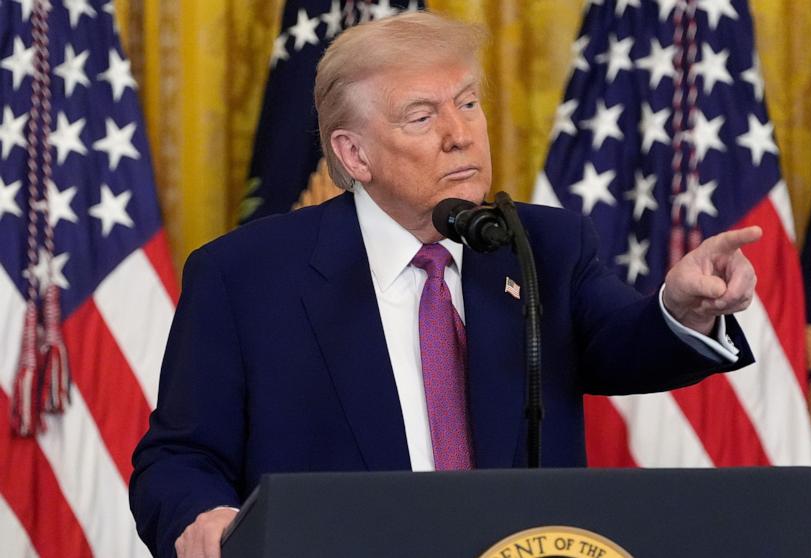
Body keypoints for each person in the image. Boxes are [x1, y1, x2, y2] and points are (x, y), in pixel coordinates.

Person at [130, 11, 761, 558]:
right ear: (354, 156)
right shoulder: (245, 276)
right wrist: (199, 515)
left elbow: (624, 344)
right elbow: (179, 459)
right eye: (421, 116)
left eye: (466, 103)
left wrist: (680, 307)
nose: (460, 134)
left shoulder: (541, 245)